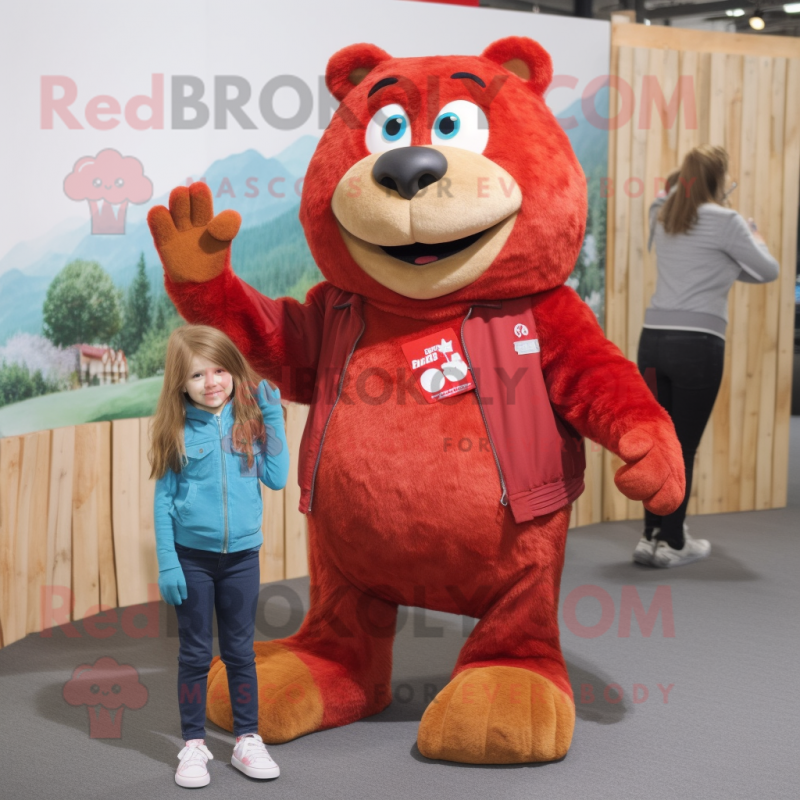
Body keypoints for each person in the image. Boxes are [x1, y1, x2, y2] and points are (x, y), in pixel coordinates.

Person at [149, 324, 289, 787]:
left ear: (233, 369)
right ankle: (193, 745)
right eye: (196, 376)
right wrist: (168, 561)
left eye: (219, 370)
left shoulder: (250, 420)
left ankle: (247, 739)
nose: (211, 382)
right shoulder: (175, 429)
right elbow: (164, 501)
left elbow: (276, 477)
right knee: (193, 654)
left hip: (242, 558)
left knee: (239, 651)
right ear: (180, 384)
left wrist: (274, 421)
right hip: (191, 558)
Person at [634, 144, 779, 568]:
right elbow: (767, 270)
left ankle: (650, 536)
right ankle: (674, 542)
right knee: (684, 447)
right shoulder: (728, 221)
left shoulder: (662, 211)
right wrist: (751, 236)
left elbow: (670, 194)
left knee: (658, 443)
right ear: (719, 180)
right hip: (699, 344)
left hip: (653, 342)